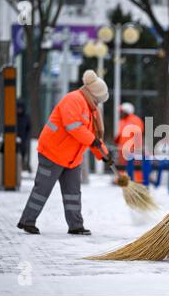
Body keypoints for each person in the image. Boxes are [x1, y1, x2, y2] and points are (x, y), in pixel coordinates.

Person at [17, 70, 114, 235]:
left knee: (73, 193)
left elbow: (94, 138)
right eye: (98, 99)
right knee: (42, 189)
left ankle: (76, 225)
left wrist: (104, 156)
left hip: (73, 158)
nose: (98, 103)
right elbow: (73, 126)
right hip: (53, 153)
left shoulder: (92, 111)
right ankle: (27, 221)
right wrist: (92, 141)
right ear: (93, 94)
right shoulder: (73, 99)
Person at [114, 102, 144, 183]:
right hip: (122, 148)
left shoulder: (135, 120)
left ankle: (138, 181)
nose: (120, 113)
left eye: (122, 111)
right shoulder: (122, 121)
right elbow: (120, 134)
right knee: (122, 166)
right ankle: (122, 181)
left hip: (133, 149)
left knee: (136, 166)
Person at [17, 100, 31, 172]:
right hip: (14, 139)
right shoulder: (13, 117)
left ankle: (20, 168)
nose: (19, 110)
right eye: (18, 108)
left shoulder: (26, 117)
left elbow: (28, 128)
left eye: (21, 108)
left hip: (23, 139)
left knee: (22, 155)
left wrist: (26, 137)